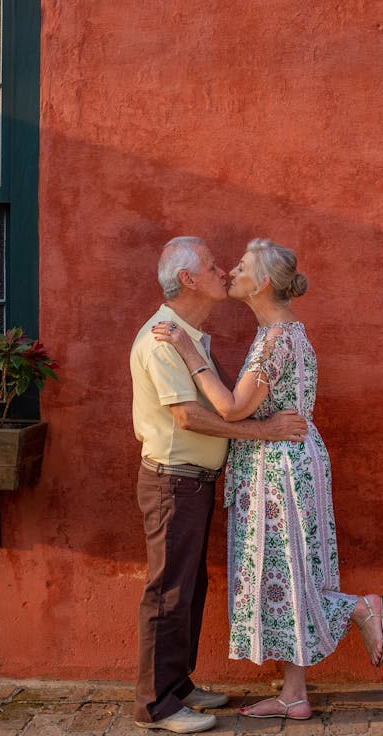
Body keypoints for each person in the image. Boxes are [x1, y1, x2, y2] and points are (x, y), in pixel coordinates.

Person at [153, 238, 383, 722]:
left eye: (239, 267)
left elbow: (234, 407)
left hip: (280, 473)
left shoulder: (279, 338)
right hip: (282, 465)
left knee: (286, 575)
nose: (230, 271)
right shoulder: (278, 334)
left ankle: (359, 608)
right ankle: (294, 693)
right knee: (284, 576)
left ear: (260, 283)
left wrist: (186, 348)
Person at [130, 236, 309, 734]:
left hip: (194, 482)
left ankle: (178, 684)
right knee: (167, 591)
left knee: (188, 588)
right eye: (212, 267)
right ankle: (156, 705)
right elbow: (189, 416)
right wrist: (264, 431)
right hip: (172, 481)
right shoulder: (166, 337)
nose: (222, 273)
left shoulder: (190, 335)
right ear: (188, 280)